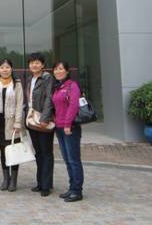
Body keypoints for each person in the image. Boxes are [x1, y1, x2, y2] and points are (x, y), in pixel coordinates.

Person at [52, 61, 84, 202]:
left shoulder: (72, 86)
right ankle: (72, 188)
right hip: (59, 128)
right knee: (67, 159)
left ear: (67, 71)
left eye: (61, 69)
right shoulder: (58, 87)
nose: (58, 71)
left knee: (74, 159)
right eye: (56, 69)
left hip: (70, 128)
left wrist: (67, 124)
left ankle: (77, 191)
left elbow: (73, 105)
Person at [25, 52, 55, 197]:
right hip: (32, 120)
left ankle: (46, 185)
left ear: (42, 65)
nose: (34, 65)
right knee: (38, 152)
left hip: (43, 119)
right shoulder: (30, 79)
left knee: (46, 152)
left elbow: (50, 98)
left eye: (37, 62)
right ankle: (40, 182)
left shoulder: (47, 77)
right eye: (32, 63)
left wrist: (45, 118)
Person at [0, 58, 24, 192]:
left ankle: (14, 180)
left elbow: (19, 104)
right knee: (3, 152)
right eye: (2, 67)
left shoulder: (17, 84)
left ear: (11, 69)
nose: (5, 70)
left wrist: (18, 123)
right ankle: (6, 178)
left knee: (13, 151)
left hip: (12, 123)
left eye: (7, 67)